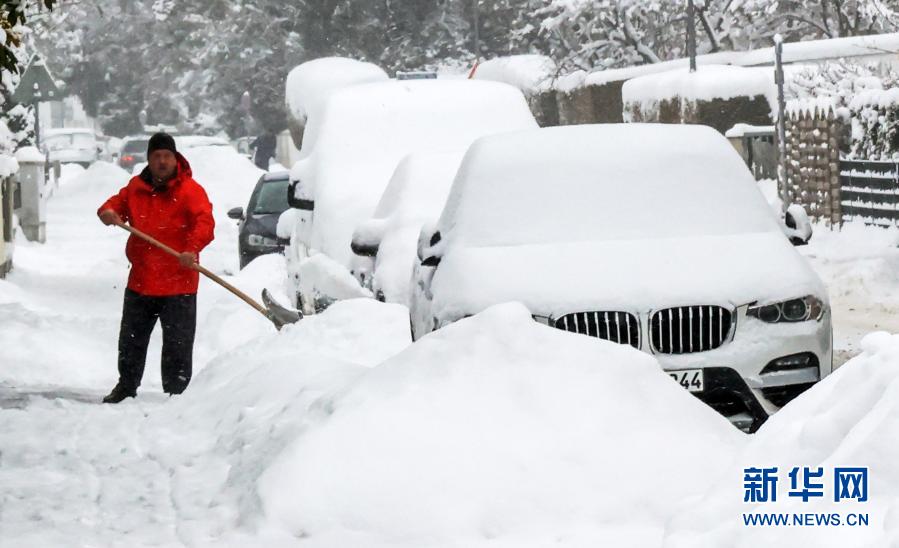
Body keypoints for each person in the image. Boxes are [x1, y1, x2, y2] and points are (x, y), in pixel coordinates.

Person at [97, 133, 215, 403]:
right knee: (131, 341)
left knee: (178, 344)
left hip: (179, 282)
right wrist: (108, 213)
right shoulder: (136, 188)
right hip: (142, 280)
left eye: (167, 156)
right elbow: (113, 206)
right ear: (149, 160)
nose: (162, 161)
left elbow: (205, 223)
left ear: (176, 159)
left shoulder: (190, 191)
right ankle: (126, 386)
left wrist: (191, 249)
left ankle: (177, 393)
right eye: (156, 156)